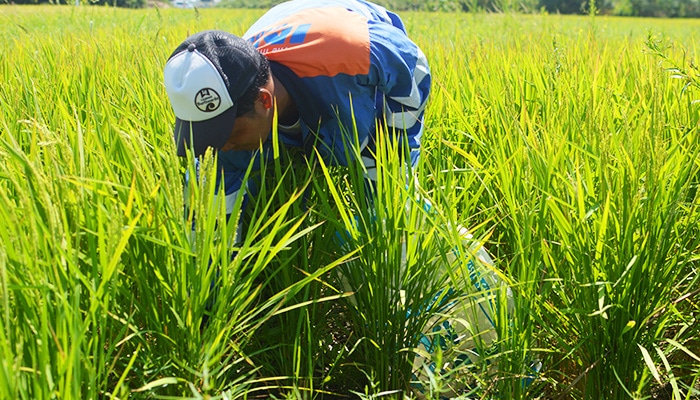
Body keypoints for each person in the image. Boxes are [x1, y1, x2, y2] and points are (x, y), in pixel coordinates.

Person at [163, 0, 431, 219]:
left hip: (342, 26)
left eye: (227, 134)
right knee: (237, 167)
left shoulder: (351, 52)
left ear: (265, 101)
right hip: (280, 28)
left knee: (375, 165)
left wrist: (392, 158)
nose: (223, 147)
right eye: (210, 134)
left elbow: (412, 68)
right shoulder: (232, 88)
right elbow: (210, 219)